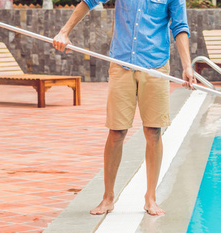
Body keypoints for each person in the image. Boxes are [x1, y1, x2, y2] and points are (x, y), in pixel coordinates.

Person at [52, 0, 195, 216]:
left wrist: (186, 66)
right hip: (121, 63)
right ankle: (108, 198)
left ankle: (150, 198)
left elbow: (179, 26)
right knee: (116, 131)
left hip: (155, 65)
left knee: (153, 132)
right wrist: (64, 32)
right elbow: (88, 2)